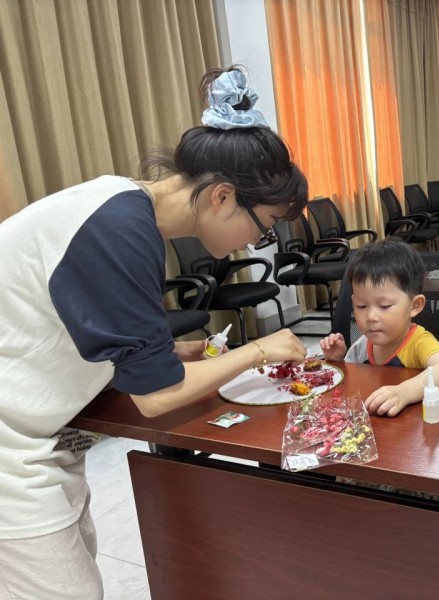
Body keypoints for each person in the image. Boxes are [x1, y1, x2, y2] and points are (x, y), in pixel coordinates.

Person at [0, 66, 310, 598]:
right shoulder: (118, 230)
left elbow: (75, 323)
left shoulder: (119, 206)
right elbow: (157, 396)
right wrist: (260, 349)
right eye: (263, 228)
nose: (252, 243)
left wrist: (165, 351)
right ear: (222, 196)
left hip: (38, 428)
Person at [319, 239, 439, 417]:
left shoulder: (419, 342)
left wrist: (404, 393)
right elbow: (350, 381)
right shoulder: (363, 344)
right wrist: (337, 361)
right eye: (361, 306)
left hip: (412, 423)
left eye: (384, 306)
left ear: (415, 305)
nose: (371, 316)